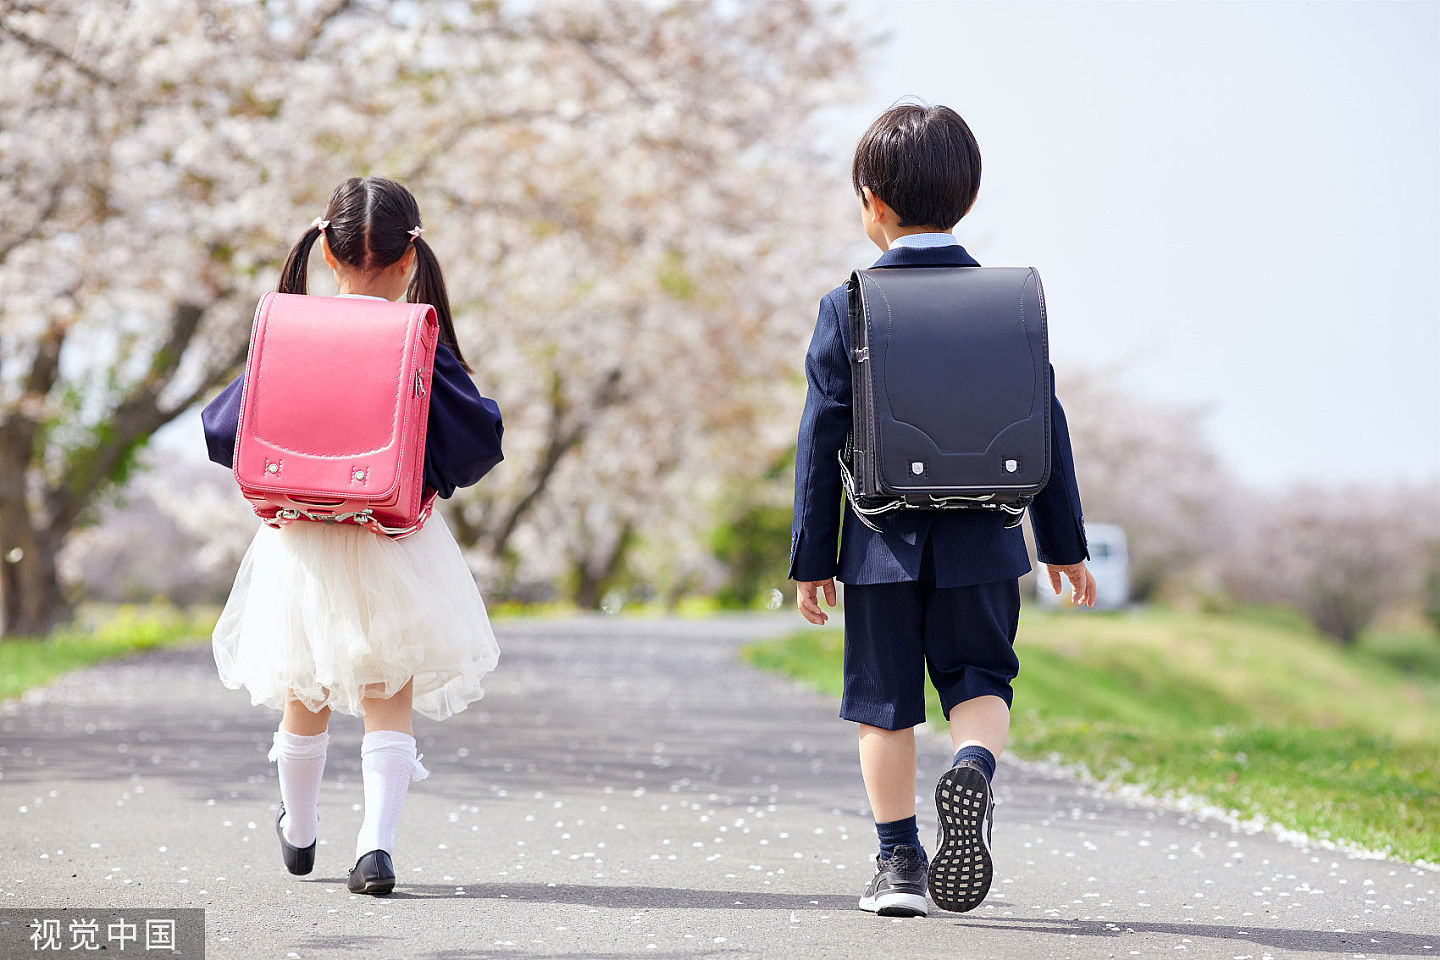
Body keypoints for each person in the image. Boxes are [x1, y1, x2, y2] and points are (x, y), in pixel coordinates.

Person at [788, 102, 1095, 918]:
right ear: (967, 197)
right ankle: (974, 768)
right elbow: (1047, 420)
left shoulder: (847, 303)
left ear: (873, 202)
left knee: (883, 704)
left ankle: (897, 866)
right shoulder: (1009, 302)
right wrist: (1064, 541)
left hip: (882, 542)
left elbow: (821, 438)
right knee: (980, 678)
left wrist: (812, 558)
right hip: (986, 538)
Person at [200, 176, 505, 897]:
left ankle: (300, 831)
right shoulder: (416, 337)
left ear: (327, 259)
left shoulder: (291, 331)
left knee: (303, 684)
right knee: (385, 684)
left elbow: (223, 430)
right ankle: (375, 847)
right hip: (391, 540)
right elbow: (475, 443)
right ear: (409, 260)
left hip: (299, 546)